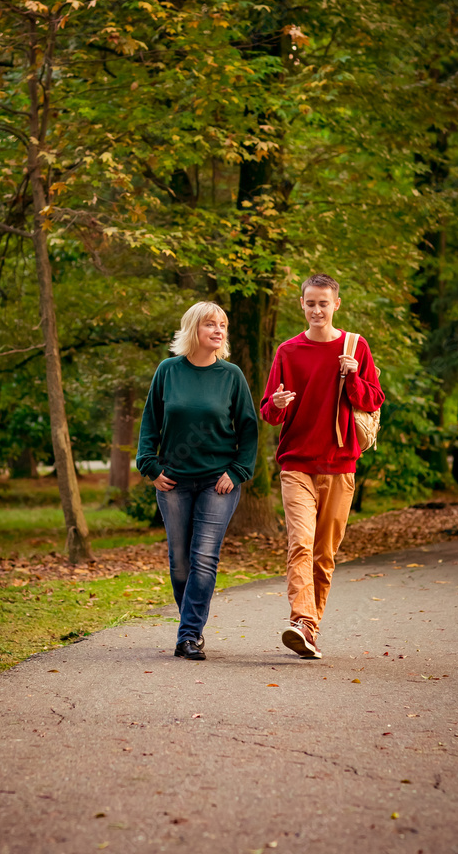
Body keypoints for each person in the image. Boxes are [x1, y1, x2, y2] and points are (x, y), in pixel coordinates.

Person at [260, 274, 384, 659]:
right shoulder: (288, 352)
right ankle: (301, 621)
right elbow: (268, 411)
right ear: (301, 304)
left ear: (336, 305)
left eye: (323, 303)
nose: (317, 310)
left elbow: (374, 399)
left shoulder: (355, 346)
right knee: (300, 544)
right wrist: (277, 404)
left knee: (324, 554)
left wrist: (353, 376)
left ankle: (309, 629)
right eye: (310, 303)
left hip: (340, 464)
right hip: (297, 462)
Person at [136, 301, 258, 660]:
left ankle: (188, 635)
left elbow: (249, 430)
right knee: (180, 562)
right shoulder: (168, 370)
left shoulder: (231, 375)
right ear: (193, 330)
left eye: (223, 325)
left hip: (217, 482)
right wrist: (149, 465)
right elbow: (150, 421)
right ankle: (191, 624)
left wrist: (237, 472)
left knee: (204, 557)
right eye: (210, 324)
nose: (218, 331)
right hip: (172, 480)